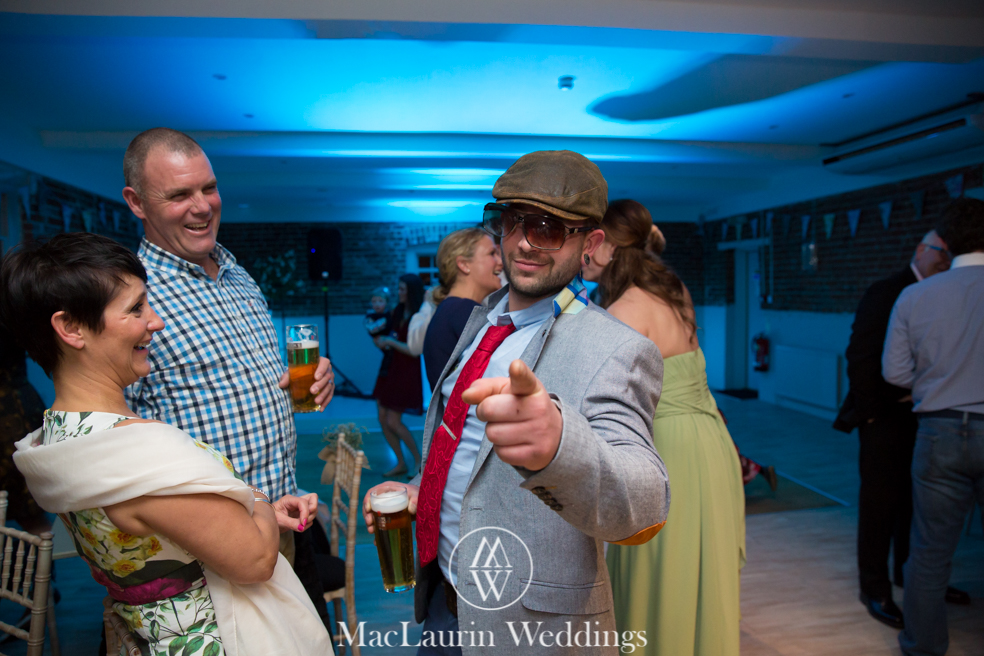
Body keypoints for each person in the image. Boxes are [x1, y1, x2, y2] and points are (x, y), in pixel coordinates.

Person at [362, 151, 670, 656]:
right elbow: (463, 450)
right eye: (512, 223)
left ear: (591, 243)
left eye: (549, 228)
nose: (526, 241)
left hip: (532, 627)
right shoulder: (480, 322)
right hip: (444, 597)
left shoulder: (618, 348)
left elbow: (643, 505)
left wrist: (559, 445)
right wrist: (422, 489)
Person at [2, 233, 332, 655]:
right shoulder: (128, 451)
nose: (155, 321)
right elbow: (254, 560)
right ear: (70, 328)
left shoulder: (61, 433)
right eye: (136, 308)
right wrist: (258, 501)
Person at [118, 127, 335, 626]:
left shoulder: (238, 275)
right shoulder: (132, 298)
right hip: (209, 557)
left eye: (208, 188)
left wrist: (308, 380)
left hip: (285, 525)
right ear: (137, 202)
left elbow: (241, 383)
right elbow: (120, 439)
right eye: (178, 195)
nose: (202, 206)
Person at [584, 199, 745, 656]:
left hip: (667, 448)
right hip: (710, 442)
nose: (583, 252)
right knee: (700, 571)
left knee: (659, 572)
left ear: (610, 247)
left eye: (592, 241)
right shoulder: (673, 288)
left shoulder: (619, 315)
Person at [834, 229, 957, 629]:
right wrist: (872, 414)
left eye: (951, 254)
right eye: (941, 252)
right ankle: (875, 588)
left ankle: (912, 576)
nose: (946, 260)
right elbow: (861, 355)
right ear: (921, 249)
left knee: (917, 504)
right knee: (879, 507)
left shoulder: (947, 290)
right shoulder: (887, 291)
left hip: (930, 415)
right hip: (885, 419)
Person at [883, 198, 984, 656]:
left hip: (938, 432)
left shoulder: (916, 295)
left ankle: (923, 649)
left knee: (928, 554)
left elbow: (895, 374)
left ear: (943, 243)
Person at [422, 227, 502, 389]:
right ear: (464, 264)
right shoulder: (464, 311)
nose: (500, 262)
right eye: (492, 254)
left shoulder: (452, 308)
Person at [0, 323, 51, 535]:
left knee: (31, 511)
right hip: (15, 408)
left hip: (12, 415)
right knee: (33, 516)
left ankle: (41, 566)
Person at [372, 274, 425, 477]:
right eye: (399, 288)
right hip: (389, 367)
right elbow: (389, 338)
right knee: (382, 418)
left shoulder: (419, 315)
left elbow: (414, 350)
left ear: (411, 291)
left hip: (405, 370)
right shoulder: (397, 311)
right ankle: (401, 462)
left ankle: (418, 460)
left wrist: (389, 342)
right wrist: (381, 341)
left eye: (403, 289)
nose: (399, 293)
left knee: (393, 421)